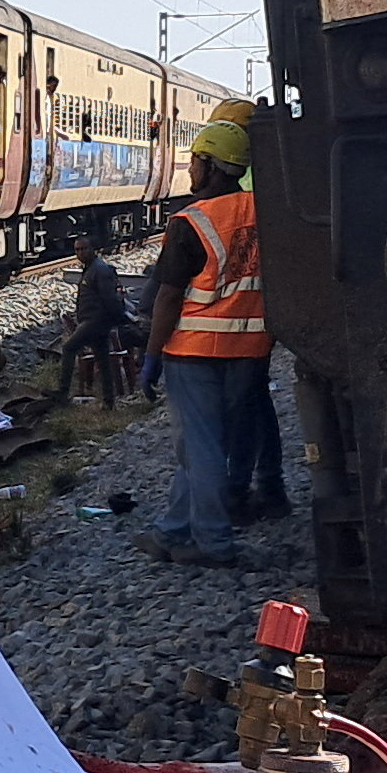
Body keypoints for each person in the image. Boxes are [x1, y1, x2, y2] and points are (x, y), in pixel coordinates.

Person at [141, 120, 268, 566]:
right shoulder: (264, 210)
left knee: (205, 450)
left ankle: (214, 544)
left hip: (194, 351)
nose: (190, 170)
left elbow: (169, 295)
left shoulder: (190, 222)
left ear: (211, 167)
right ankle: (171, 531)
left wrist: (152, 355)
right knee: (203, 447)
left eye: (195, 161)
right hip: (250, 350)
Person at [202, 101, 289, 523]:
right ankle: (268, 487)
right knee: (255, 405)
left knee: (241, 410)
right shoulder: (271, 168)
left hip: (243, 318)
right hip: (260, 313)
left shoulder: (251, 180)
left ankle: (243, 492)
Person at [61, 249, 141, 408]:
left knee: (69, 348)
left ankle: (62, 393)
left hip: (94, 322)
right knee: (104, 362)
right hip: (96, 321)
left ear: (92, 250)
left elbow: (109, 300)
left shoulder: (99, 270)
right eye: (76, 249)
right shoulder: (92, 269)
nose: (78, 253)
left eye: (81, 249)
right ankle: (109, 401)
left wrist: (119, 318)